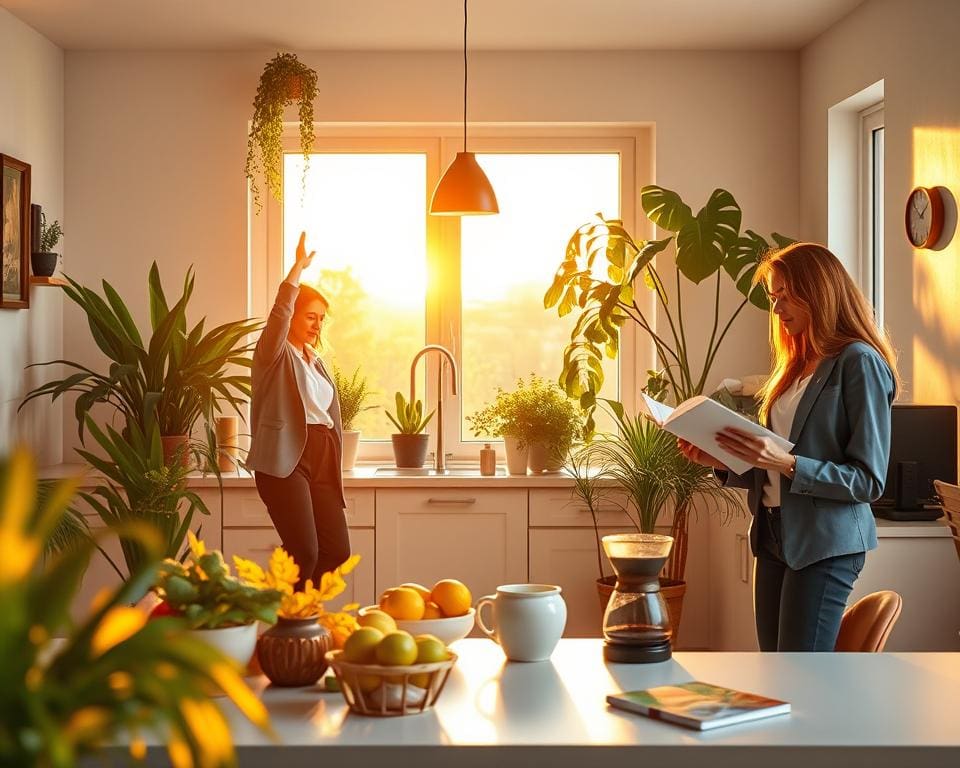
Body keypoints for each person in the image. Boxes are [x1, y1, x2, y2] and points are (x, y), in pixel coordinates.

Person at [679, 242, 899, 651]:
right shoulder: (795, 366)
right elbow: (774, 467)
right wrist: (723, 461)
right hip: (774, 535)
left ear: (818, 291)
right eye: (773, 298)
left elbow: (868, 480)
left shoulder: (858, 362)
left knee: (800, 677)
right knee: (776, 671)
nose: (777, 310)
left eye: (785, 296)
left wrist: (789, 463)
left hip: (824, 543)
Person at [246, 231, 350, 589]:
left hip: (322, 457)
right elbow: (279, 313)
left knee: (336, 552)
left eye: (321, 318)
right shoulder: (273, 354)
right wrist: (296, 271)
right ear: (292, 317)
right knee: (303, 553)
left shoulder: (316, 362)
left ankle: (299, 614)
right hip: (286, 459)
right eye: (310, 316)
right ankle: (288, 628)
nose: (317, 324)